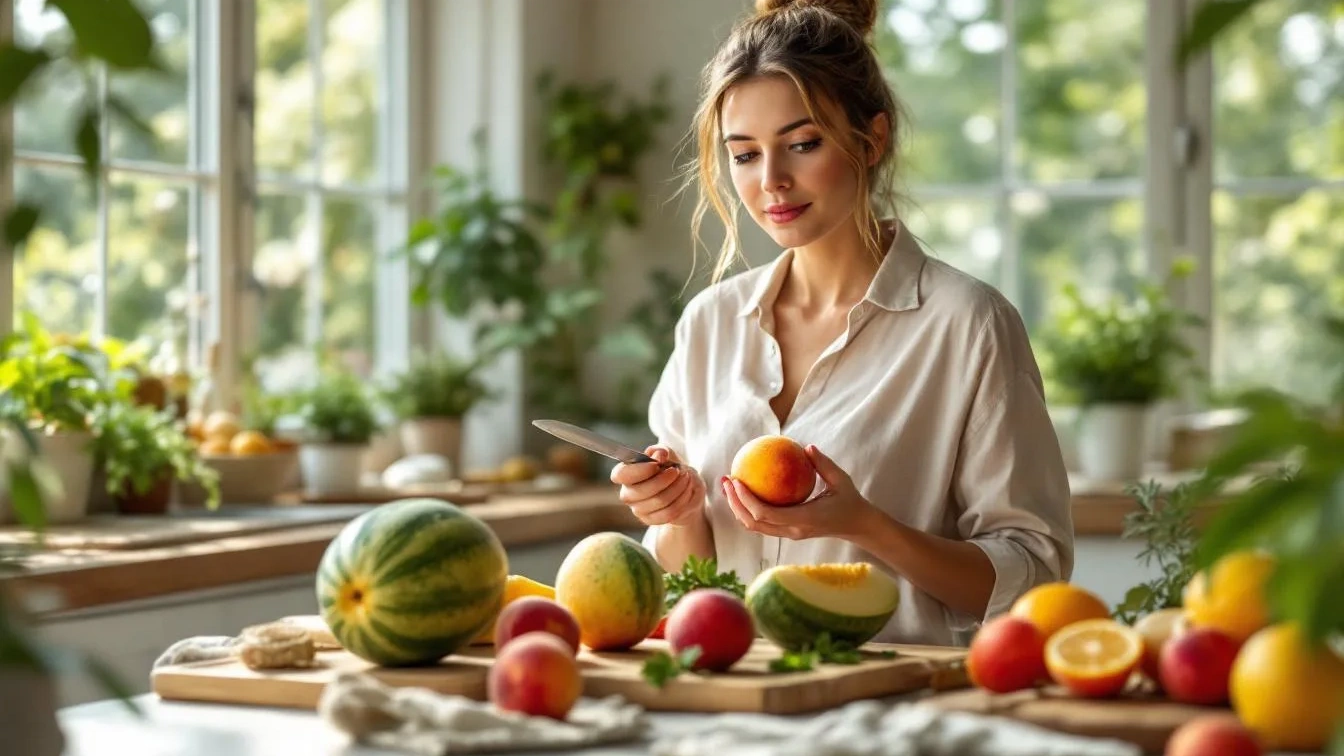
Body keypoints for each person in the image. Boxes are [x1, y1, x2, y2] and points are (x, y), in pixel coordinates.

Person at [610, 0, 1073, 648]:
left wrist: (866, 525)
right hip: (733, 704)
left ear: (872, 138)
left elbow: (1034, 577)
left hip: (892, 713)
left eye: (802, 144)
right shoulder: (710, 325)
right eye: (744, 155)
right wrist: (679, 515)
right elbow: (689, 585)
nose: (771, 181)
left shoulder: (968, 326)